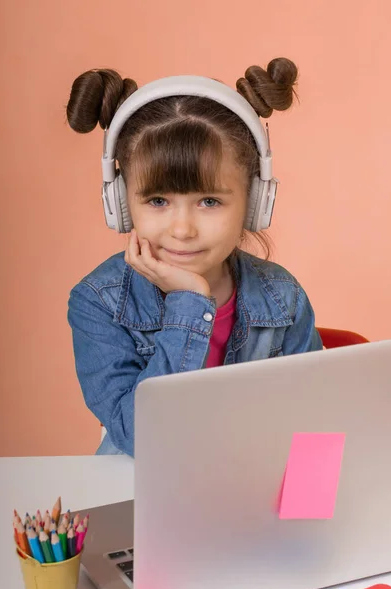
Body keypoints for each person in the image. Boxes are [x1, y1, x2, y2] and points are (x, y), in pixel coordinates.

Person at [66, 57, 322, 457]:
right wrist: (190, 303)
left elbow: (315, 419)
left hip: (250, 489)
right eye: (157, 200)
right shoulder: (99, 302)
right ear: (120, 203)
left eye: (208, 201)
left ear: (255, 203)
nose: (182, 229)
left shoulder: (281, 296)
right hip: (142, 492)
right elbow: (141, 436)